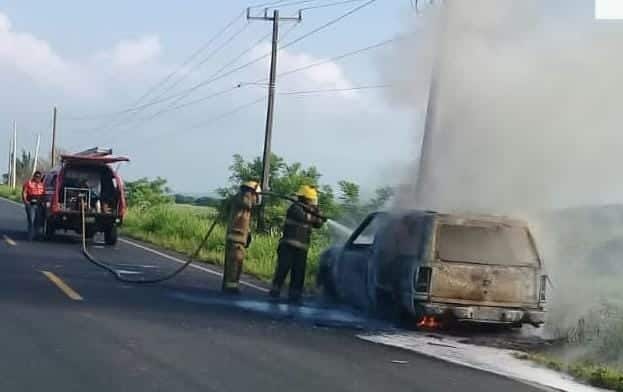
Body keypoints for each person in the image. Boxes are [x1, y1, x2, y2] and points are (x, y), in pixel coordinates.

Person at [270, 185, 326, 303]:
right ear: (305, 199)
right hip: (288, 245)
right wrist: (316, 215)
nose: (314, 202)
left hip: (302, 247)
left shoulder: (310, 209)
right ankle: (275, 290)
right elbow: (306, 218)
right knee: (283, 268)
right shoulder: (295, 208)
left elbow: (318, 224)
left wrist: (319, 213)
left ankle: (295, 295)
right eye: (312, 200)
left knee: (299, 272)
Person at [222, 180, 261, 294]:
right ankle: (231, 287)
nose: (257, 197)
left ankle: (229, 285)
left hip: (238, 237)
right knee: (235, 262)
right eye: (256, 194)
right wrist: (252, 194)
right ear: (251, 191)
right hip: (236, 237)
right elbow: (248, 203)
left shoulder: (241, 200)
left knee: (234, 262)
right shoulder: (243, 197)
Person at [22, 171, 45, 239]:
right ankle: (30, 234)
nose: (37, 178)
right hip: (30, 203)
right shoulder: (28, 183)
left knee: (38, 219)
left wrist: (44, 202)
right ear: (34, 176)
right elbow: (24, 192)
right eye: (36, 176)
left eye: (39, 177)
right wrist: (25, 201)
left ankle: (36, 233)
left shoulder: (42, 185)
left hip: (39, 204)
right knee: (31, 219)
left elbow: (44, 194)